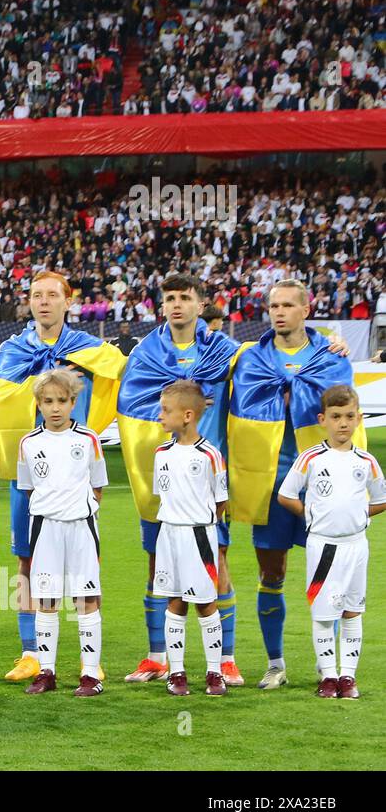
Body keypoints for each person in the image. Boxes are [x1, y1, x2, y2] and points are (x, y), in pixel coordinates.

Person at [0, 272, 124, 683]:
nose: (43, 302)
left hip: (76, 477)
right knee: (25, 561)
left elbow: (128, 374)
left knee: (86, 568)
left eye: (52, 295)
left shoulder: (90, 349)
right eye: (36, 295)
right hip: (30, 469)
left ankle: (90, 659)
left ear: (69, 301)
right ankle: (31, 653)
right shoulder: (12, 349)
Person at [228, 279, 356, 690]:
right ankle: (276, 663)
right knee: (272, 572)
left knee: (329, 576)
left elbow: (342, 408)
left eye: (287, 305)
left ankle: (328, 666)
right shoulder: (251, 359)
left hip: (322, 483)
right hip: (270, 481)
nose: (278, 312)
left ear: (306, 309)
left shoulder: (330, 356)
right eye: (272, 306)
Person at [116, 274, 243, 686]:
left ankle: (224, 660)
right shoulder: (145, 352)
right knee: (157, 567)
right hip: (160, 479)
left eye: (185, 298)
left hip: (206, 478)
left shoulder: (223, 351)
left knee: (217, 567)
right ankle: (158, 658)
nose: (176, 304)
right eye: (169, 298)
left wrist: (335, 344)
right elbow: (129, 400)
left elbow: (262, 364)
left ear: (200, 304)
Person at [276, 385, 386, 699]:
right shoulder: (310, 458)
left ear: (359, 419)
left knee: (353, 611)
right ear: (323, 419)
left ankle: (348, 678)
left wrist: (359, 516)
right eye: (336, 416)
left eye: (349, 416)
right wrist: (310, 515)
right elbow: (285, 495)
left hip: (356, 546)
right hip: (322, 546)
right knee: (324, 613)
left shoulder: (366, 461)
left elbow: (382, 499)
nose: (343, 423)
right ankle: (328, 676)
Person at [15, 369, 108, 697]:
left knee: (86, 600)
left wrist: (77, 510)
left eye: (62, 401)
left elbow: (97, 487)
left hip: (81, 527)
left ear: (73, 403)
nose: (55, 408)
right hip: (45, 528)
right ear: (39, 404)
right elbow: (28, 489)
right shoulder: (28, 443)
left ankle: (90, 674)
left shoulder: (88, 440)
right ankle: (47, 672)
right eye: (48, 401)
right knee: (46, 600)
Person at [151, 381, 229, 697]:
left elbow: (220, 500)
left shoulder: (210, 454)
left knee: (206, 604)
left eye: (165, 410)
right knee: (174, 602)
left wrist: (203, 524)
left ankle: (214, 673)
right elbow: (163, 495)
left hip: (199, 535)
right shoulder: (161, 453)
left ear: (186, 415)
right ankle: (177, 672)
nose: (160, 416)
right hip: (168, 534)